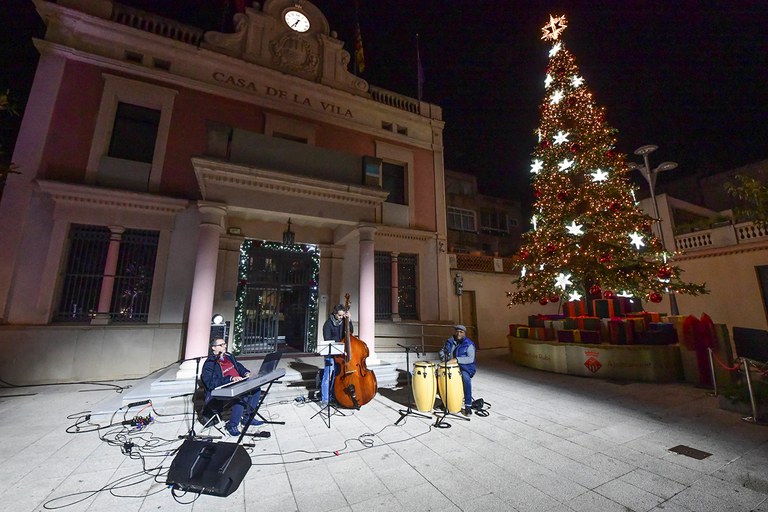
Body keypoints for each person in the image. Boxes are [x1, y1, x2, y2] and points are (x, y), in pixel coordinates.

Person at [201, 337, 263, 436]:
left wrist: (246, 372)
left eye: (224, 344)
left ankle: (248, 418)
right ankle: (232, 424)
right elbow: (210, 382)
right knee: (241, 396)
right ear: (213, 348)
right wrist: (230, 379)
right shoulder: (210, 364)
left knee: (256, 390)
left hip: (236, 382)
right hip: (222, 388)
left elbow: (238, 366)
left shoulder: (228, 356)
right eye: (221, 345)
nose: (224, 346)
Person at [438, 325, 476, 416]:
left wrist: (457, 360)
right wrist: (443, 356)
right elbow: (442, 351)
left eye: (461, 332)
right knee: (439, 377)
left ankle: (468, 406)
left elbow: (470, 358)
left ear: (464, 333)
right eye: (457, 331)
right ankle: (445, 402)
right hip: (451, 366)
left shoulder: (469, 344)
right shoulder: (450, 341)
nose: (459, 333)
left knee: (466, 379)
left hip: (465, 367)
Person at [319, 304, 353, 405]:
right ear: (334, 314)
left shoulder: (344, 322)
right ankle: (325, 399)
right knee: (327, 376)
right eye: (339, 315)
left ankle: (334, 396)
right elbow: (328, 340)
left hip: (341, 355)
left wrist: (349, 320)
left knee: (337, 377)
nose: (341, 317)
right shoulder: (328, 324)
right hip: (330, 354)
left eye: (343, 315)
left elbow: (350, 332)